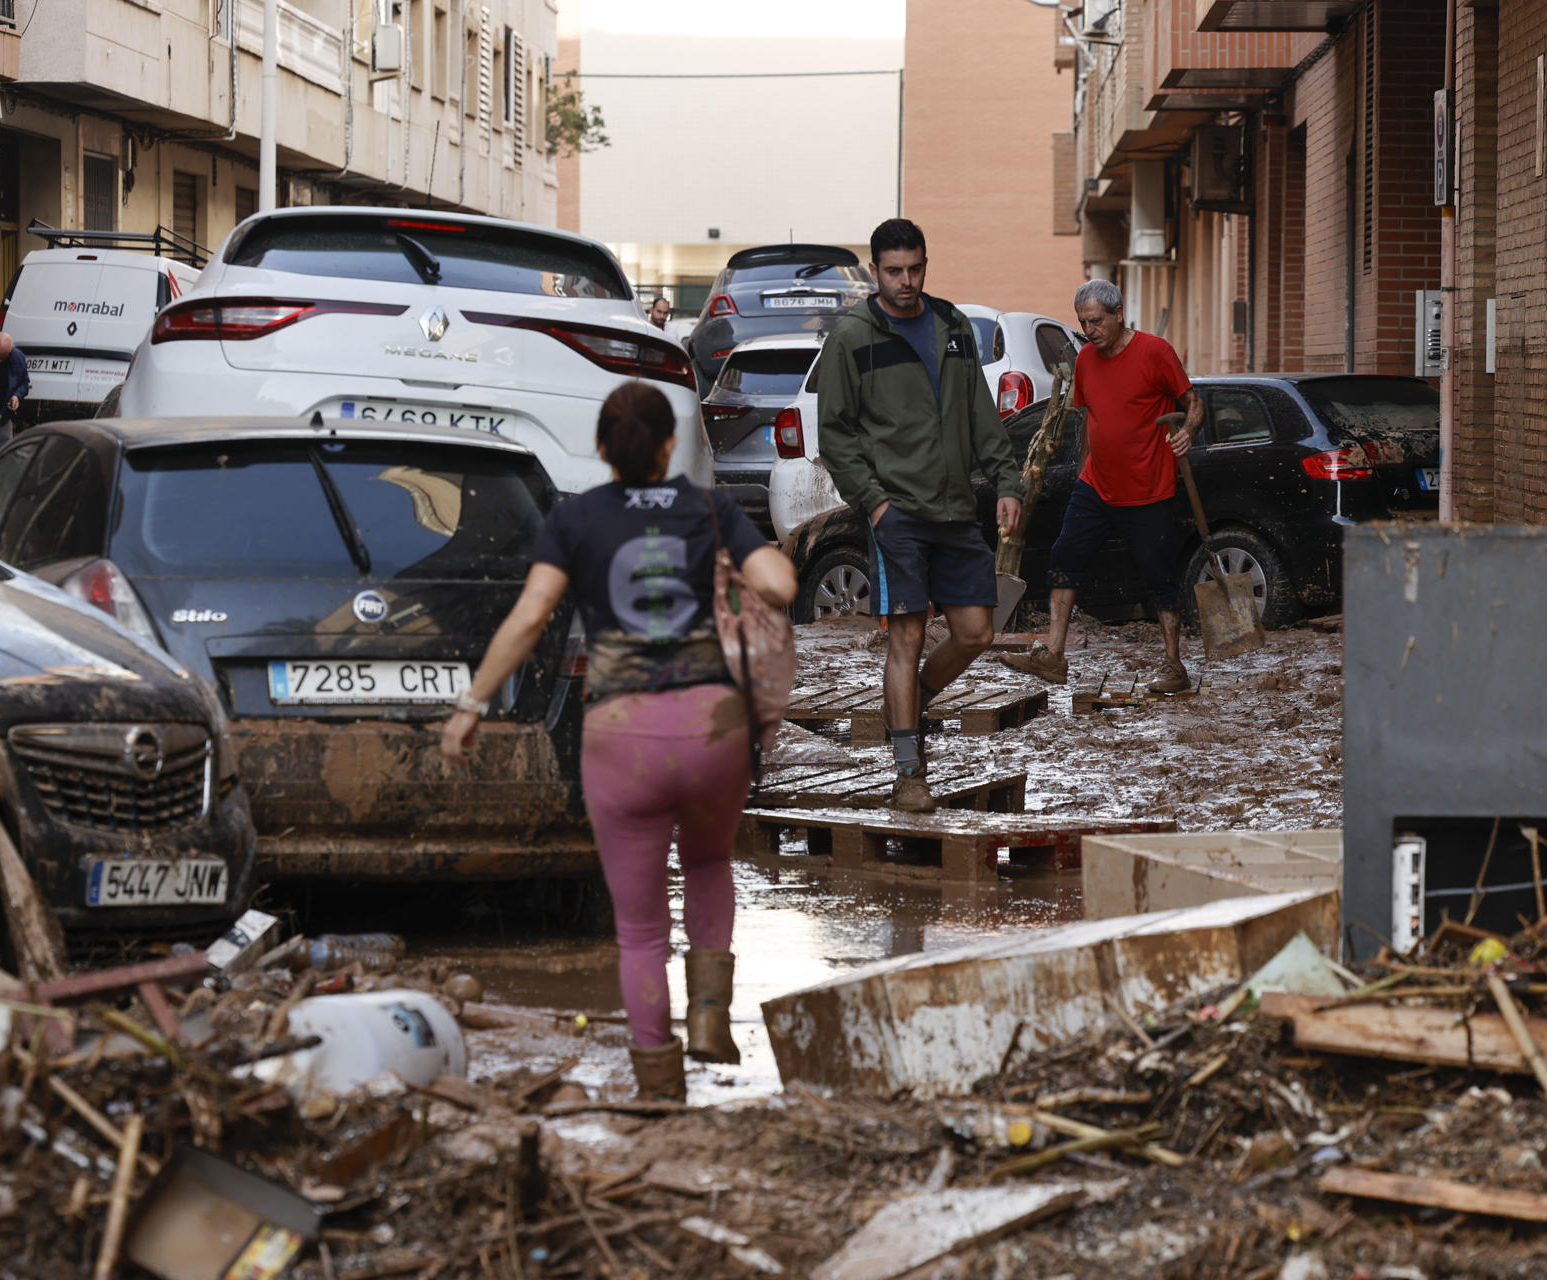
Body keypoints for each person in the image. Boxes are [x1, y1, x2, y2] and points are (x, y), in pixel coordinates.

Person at [440, 381, 796, 1101]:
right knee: (707, 865)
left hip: (620, 736)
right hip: (711, 730)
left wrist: (470, 706)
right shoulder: (709, 507)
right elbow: (782, 585)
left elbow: (532, 616)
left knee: (637, 929)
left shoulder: (575, 518)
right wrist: (732, 571)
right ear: (669, 448)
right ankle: (706, 1015)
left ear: (603, 449)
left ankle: (658, 1082)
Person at [815, 218, 1022, 812]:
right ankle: (910, 772)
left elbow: (981, 413)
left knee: (976, 632)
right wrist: (874, 503)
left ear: (926, 265)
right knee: (906, 636)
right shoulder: (853, 337)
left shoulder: (954, 327)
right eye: (894, 272)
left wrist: (1006, 480)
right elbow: (835, 435)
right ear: (875, 271)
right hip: (895, 511)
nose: (906, 282)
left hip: (955, 507)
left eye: (916, 269)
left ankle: (910, 703)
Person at [999, 279, 1206, 693]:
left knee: (1160, 575)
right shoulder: (1086, 361)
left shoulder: (1155, 352)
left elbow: (1194, 403)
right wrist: (1081, 471)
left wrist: (1187, 429)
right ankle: (1055, 655)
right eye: (1083, 322)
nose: (1089, 329)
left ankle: (1174, 667)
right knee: (1064, 555)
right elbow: (1088, 421)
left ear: (1118, 314)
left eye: (1096, 320)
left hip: (1149, 488)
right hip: (1096, 485)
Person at [0, 331, 32, 444]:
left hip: (4, 411)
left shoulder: (16, 357)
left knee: (5, 443)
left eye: (4, 358)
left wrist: (16, 396)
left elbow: (24, 384)